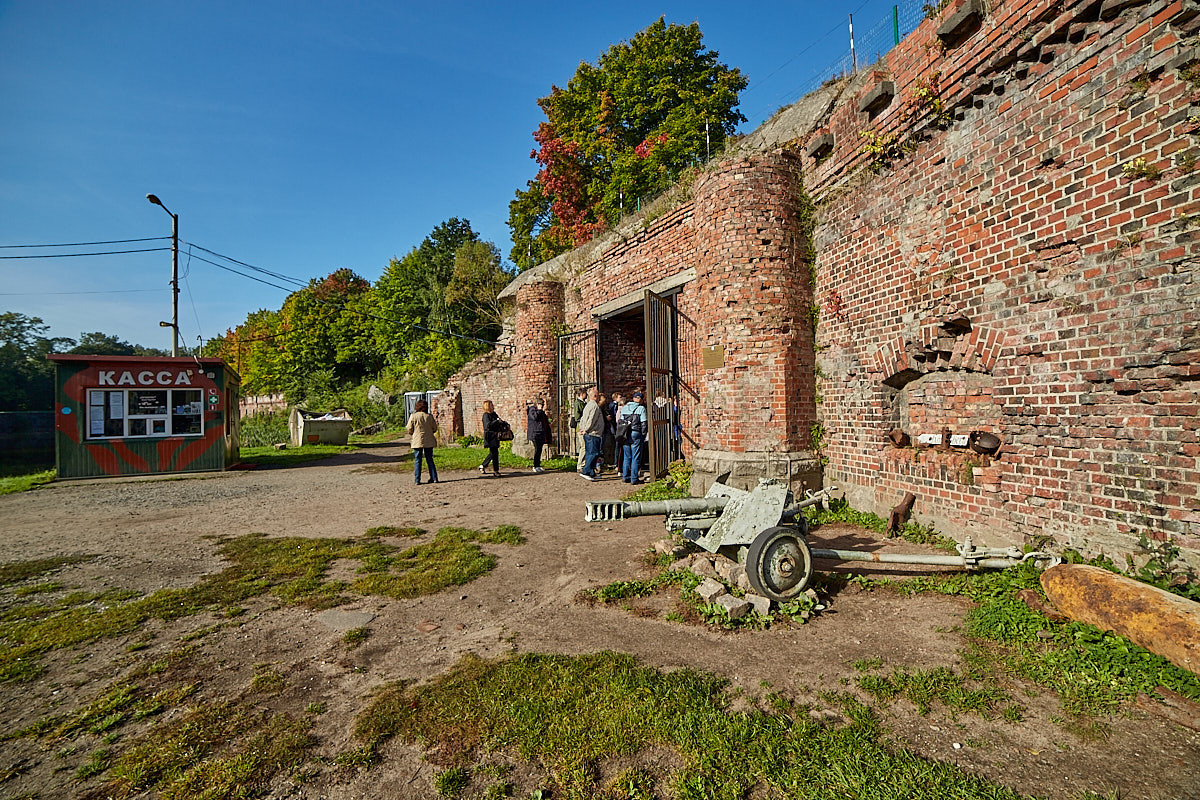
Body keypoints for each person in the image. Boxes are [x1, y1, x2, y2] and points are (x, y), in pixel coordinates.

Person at [405, 399, 438, 485]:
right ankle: (434, 478)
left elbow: (409, 428)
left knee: (417, 460)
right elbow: (434, 428)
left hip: (417, 440)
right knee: (430, 459)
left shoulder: (413, 416)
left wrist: (413, 433)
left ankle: (417, 480)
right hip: (429, 440)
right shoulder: (429, 416)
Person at [619, 391, 648, 485]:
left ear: (633, 398)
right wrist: (643, 435)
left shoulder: (625, 407)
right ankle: (634, 478)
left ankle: (625, 476)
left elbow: (620, 422)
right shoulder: (641, 408)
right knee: (636, 456)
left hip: (625, 433)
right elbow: (644, 423)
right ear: (641, 400)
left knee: (627, 456)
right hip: (636, 433)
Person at [578, 387, 605, 481]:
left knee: (592, 453)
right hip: (593, 433)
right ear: (595, 396)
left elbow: (583, 418)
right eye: (598, 395)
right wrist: (586, 429)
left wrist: (582, 428)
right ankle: (586, 471)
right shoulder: (594, 406)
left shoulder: (588, 405)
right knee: (593, 453)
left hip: (590, 433)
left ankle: (591, 472)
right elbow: (591, 420)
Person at [525, 396, 553, 473]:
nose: (542, 406)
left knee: (539, 450)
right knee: (537, 449)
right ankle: (535, 466)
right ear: (537, 404)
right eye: (541, 404)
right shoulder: (532, 410)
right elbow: (535, 417)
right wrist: (540, 410)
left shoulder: (541, 412)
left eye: (543, 404)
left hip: (540, 433)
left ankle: (538, 465)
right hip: (535, 433)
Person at [479, 400, 503, 477]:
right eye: (491, 405)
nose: (493, 406)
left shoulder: (494, 414)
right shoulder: (486, 415)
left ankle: (483, 465)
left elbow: (499, 421)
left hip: (495, 436)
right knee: (494, 453)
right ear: (488, 406)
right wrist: (496, 421)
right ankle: (496, 471)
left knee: (493, 453)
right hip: (490, 436)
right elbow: (487, 425)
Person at [571, 387, 588, 472]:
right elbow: (577, 416)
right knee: (583, 446)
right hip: (580, 427)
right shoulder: (578, 403)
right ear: (581, 394)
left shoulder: (583, 403)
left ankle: (583, 464)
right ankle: (580, 465)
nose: (586, 395)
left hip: (583, 426)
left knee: (585, 446)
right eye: (585, 393)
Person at [610, 393, 626, 475]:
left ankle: (620, 467)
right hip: (620, 431)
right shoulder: (616, 407)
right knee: (619, 448)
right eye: (619, 397)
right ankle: (618, 466)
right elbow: (617, 420)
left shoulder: (619, 409)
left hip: (620, 430)